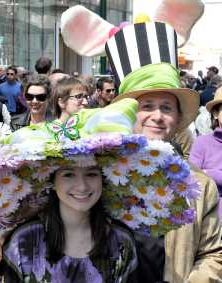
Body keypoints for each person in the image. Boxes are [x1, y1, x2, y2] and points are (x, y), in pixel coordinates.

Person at [60, 4, 222, 282]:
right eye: (146, 105)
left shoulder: (198, 186)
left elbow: (213, 253)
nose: (157, 116)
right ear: (127, 112)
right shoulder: (93, 172)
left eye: (167, 108)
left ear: (178, 117)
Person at [0, 99, 201, 283]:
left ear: (104, 180)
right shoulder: (24, 241)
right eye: (68, 174)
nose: (82, 186)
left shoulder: (121, 242)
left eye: (91, 174)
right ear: (51, 181)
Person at [190, 86, 222, 217]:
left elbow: (201, 174)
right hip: (209, 214)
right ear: (215, 114)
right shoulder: (202, 142)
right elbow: (192, 176)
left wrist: (208, 173)